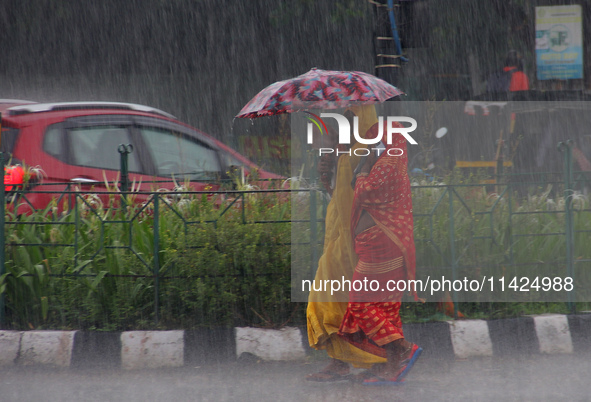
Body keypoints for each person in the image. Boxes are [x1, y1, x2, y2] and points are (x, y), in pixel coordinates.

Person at [306, 105, 387, 382]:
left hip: (361, 236)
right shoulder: (346, 151)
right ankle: (340, 360)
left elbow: (372, 191)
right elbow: (339, 195)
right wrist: (327, 174)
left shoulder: (371, 149)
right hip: (339, 237)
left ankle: (383, 360)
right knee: (332, 297)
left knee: (358, 300)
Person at [337, 119, 422, 385]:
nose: (373, 143)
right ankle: (391, 366)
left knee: (360, 303)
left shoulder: (388, 165)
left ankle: (403, 349)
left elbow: (367, 192)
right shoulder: (389, 164)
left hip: (380, 245)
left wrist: (362, 168)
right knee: (385, 307)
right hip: (384, 244)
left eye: (376, 138)